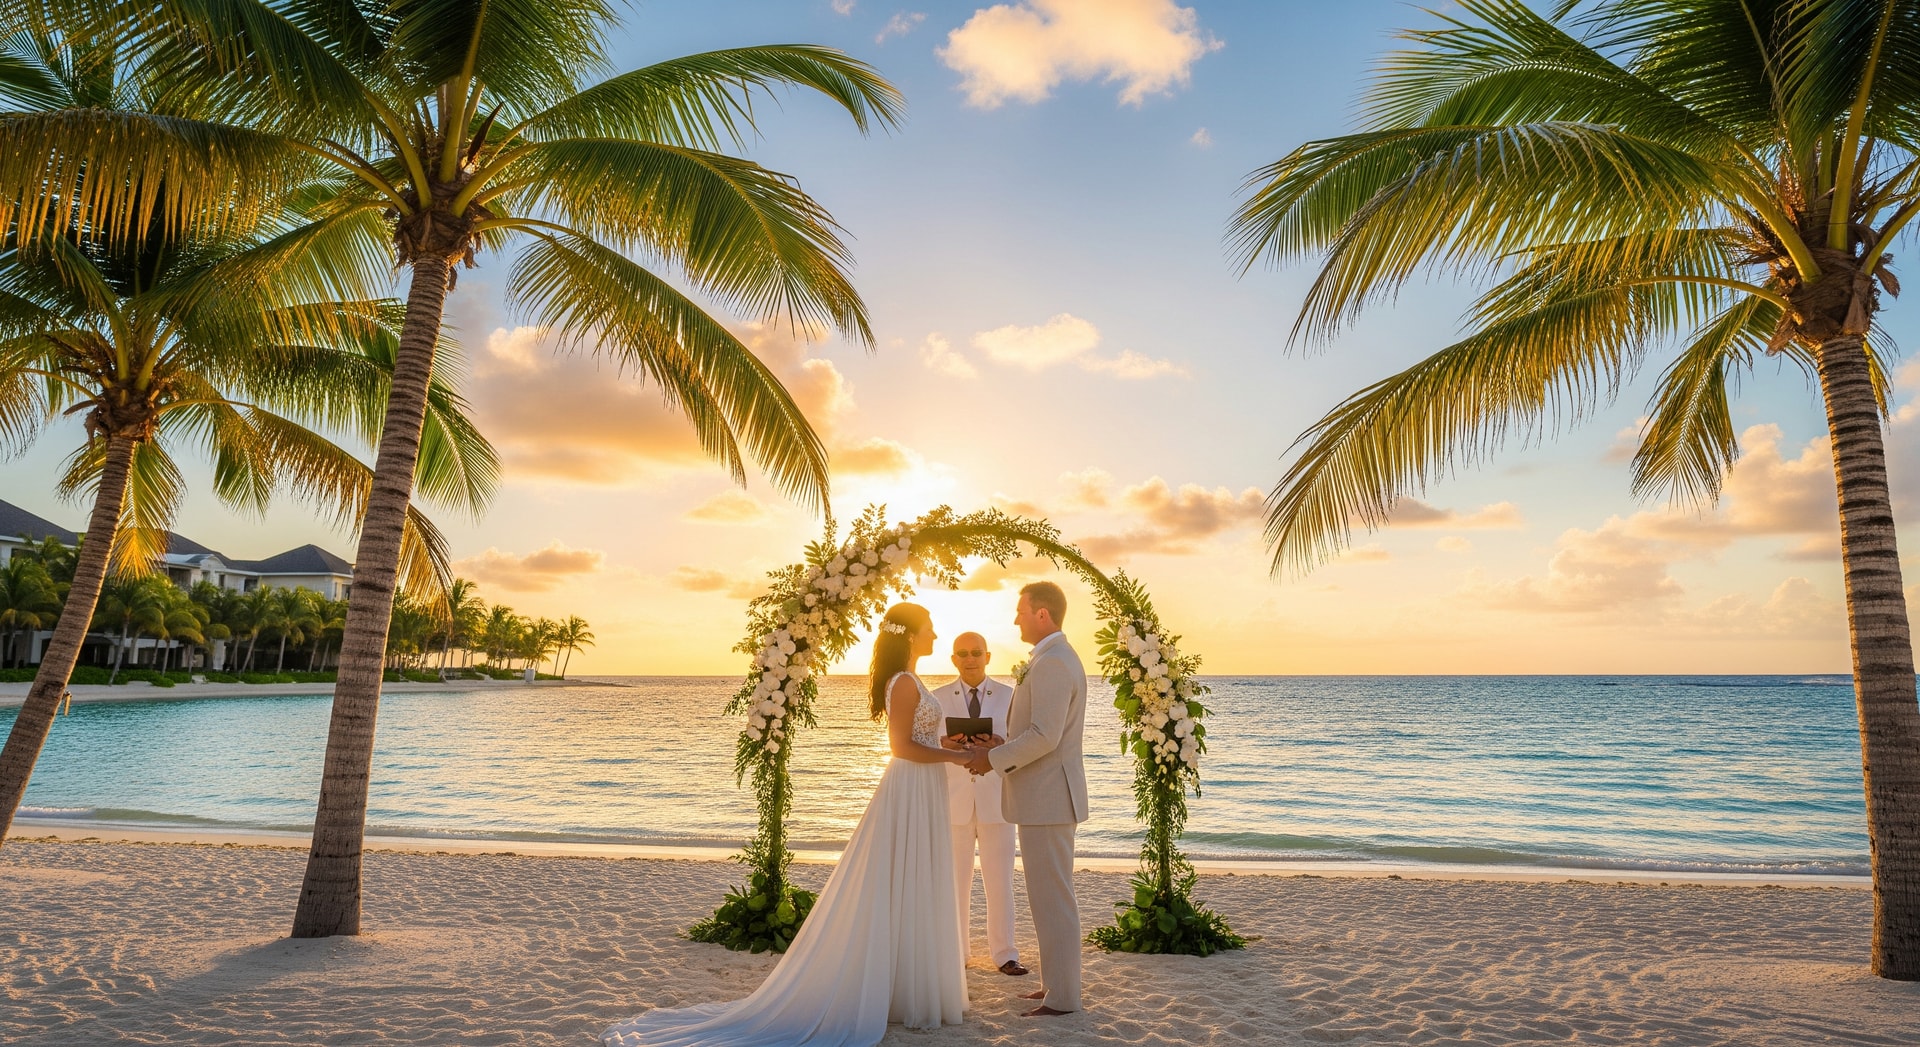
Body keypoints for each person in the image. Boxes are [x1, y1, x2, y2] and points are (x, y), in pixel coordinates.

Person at [602, 603, 971, 1046]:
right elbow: (900, 747)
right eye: (929, 628)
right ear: (910, 635)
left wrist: (948, 743)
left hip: (921, 789)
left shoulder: (910, 680)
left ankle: (905, 990)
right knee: (907, 880)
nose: (934, 634)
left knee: (915, 882)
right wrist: (959, 756)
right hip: (911, 789)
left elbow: (920, 740)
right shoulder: (906, 682)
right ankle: (904, 992)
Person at [964, 581, 1088, 1017]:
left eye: (1021, 611)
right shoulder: (1052, 658)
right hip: (1046, 798)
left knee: (1053, 898)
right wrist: (1004, 740)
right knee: (1048, 897)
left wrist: (993, 757)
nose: (1015, 618)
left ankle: (1064, 999)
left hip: (1050, 798)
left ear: (1042, 615)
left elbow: (1046, 736)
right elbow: (1036, 732)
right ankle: (1055, 986)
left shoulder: (1053, 662)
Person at [932, 632, 1025, 976]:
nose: (969, 658)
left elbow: (1022, 742)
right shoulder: (937, 698)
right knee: (955, 883)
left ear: (987, 656)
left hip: (997, 799)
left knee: (1000, 881)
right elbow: (925, 743)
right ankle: (957, 954)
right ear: (953, 658)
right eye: (962, 653)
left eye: (976, 653)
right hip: (954, 800)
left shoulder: (1010, 696)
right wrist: (944, 742)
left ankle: (1005, 954)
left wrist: (1001, 743)